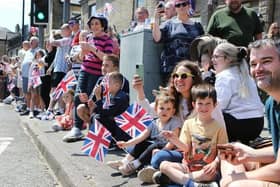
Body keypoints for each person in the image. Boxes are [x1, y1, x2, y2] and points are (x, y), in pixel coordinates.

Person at [218, 39, 280, 187]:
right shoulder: (271, 104)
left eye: (266, 61)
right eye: (253, 64)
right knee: (229, 160)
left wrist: (240, 178)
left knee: (237, 184)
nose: (258, 69)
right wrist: (250, 154)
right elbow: (278, 150)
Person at [152, 84, 228, 186]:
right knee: (163, 165)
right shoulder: (188, 123)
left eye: (208, 103)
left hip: (207, 169)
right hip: (187, 167)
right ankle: (193, 184)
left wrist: (215, 163)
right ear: (194, 105)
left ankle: (179, 179)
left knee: (210, 175)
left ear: (214, 105)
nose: (204, 107)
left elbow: (223, 151)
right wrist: (174, 139)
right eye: (200, 103)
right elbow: (185, 148)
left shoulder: (219, 127)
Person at [63, 14, 113, 142]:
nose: (94, 26)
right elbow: (81, 58)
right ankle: (77, 128)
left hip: (97, 74)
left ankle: (93, 130)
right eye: (92, 24)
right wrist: (82, 53)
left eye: (97, 23)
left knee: (92, 101)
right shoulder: (88, 38)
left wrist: (92, 48)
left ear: (102, 25)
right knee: (78, 97)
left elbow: (107, 58)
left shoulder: (107, 40)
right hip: (84, 71)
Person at [106, 93, 181, 177]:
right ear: (156, 109)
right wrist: (126, 143)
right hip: (153, 148)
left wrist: (161, 151)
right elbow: (142, 136)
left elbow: (172, 142)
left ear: (173, 111)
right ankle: (125, 161)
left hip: (166, 149)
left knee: (154, 145)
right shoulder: (154, 122)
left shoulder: (174, 123)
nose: (164, 111)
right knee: (142, 143)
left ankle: (135, 164)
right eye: (162, 108)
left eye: (168, 109)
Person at [212, 42, 264, 144]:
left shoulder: (224, 76)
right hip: (258, 124)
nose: (212, 60)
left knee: (207, 111)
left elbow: (219, 106)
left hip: (238, 126)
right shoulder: (245, 74)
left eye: (216, 57)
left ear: (228, 59)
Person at [153, 0, 204, 84]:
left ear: (189, 6)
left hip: (190, 68)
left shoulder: (197, 26)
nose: (181, 7)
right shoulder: (169, 24)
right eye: (178, 5)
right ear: (175, 8)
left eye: (184, 4)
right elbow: (157, 38)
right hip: (172, 69)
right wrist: (156, 18)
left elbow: (202, 47)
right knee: (172, 95)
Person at [77, 54, 129, 124]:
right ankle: (94, 129)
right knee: (81, 108)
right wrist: (87, 100)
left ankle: (102, 130)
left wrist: (98, 102)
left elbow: (118, 104)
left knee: (98, 116)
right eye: (102, 65)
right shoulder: (101, 79)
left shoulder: (121, 81)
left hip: (113, 111)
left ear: (115, 68)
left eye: (107, 66)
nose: (103, 68)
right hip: (102, 107)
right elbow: (93, 100)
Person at [88, 72, 130, 142]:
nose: (105, 84)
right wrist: (94, 106)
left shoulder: (120, 97)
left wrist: (98, 97)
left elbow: (104, 113)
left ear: (116, 85)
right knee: (94, 115)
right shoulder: (110, 95)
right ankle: (98, 138)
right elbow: (102, 109)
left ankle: (110, 141)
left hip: (121, 128)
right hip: (114, 123)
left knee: (98, 118)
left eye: (108, 82)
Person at [44, 24, 72, 118]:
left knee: (55, 90)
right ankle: (59, 109)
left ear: (68, 30)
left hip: (62, 69)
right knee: (59, 90)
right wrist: (51, 67)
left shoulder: (67, 39)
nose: (61, 31)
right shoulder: (63, 40)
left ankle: (50, 109)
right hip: (58, 69)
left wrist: (51, 33)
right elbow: (57, 56)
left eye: (63, 30)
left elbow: (52, 42)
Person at [19, 36, 40, 116]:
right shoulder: (28, 51)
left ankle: (35, 109)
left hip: (33, 75)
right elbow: (24, 61)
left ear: (37, 43)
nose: (30, 42)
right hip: (25, 74)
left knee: (34, 93)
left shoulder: (39, 51)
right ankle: (28, 108)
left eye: (33, 41)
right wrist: (21, 69)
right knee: (26, 92)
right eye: (30, 41)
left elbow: (40, 62)